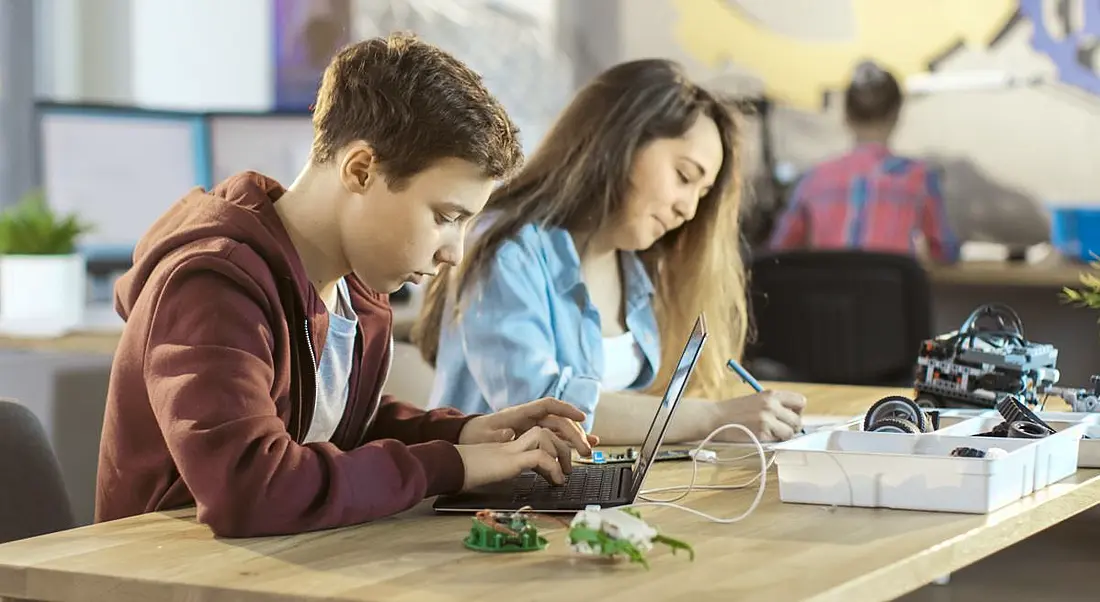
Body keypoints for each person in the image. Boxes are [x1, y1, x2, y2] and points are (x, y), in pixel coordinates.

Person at [95, 34, 597, 538]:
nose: (454, 253)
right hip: (170, 576)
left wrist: (466, 434)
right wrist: (454, 465)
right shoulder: (211, 284)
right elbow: (251, 488)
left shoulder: (355, 291)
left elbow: (331, 428)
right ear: (361, 170)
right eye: (445, 217)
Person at [413, 59, 806, 446]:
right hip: (485, 501)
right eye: (684, 177)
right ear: (623, 139)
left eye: (701, 196)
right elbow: (541, 409)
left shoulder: (636, 266)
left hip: (582, 491)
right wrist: (716, 417)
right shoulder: (508, 246)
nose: (687, 209)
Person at [768, 60, 960, 263]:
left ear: (846, 116)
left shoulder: (813, 180)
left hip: (828, 292)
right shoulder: (920, 178)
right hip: (891, 293)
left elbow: (779, 251)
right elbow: (945, 252)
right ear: (896, 115)